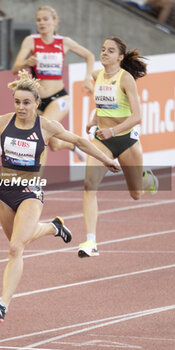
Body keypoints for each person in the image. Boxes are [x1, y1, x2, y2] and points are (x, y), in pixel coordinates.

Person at [0, 70, 120, 323]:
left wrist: (106, 159)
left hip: (31, 191)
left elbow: (79, 141)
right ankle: (54, 227)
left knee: (15, 248)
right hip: (5, 191)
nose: (21, 107)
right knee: (19, 241)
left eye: (27, 102)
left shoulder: (47, 126)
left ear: (37, 103)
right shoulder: (1, 122)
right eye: (17, 102)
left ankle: (3, 304)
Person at [78, 37, 159, 258]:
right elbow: (104, 104)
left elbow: (137, 116)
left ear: (120, 57)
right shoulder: (97, 75)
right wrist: (95, 120)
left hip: (126, 141)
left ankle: (148, 179)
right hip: (102, 141)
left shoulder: (126, 79)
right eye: (103, 49)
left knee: (136, 194)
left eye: (110, 51)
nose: (104, 53)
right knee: (88, 184)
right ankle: (90, 241)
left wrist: (113, 131)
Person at [12, 5, 95, 161]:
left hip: (59, 98)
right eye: (38, 20)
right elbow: (15, 69)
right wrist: (26, 62)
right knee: (54, 144)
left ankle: (37, 183)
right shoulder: (31, 41)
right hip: (37, 100)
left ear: (55, 21)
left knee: (41, 134)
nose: (42, 23)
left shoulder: (64, 42)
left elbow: (89, 55)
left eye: (46, 19)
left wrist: (87, 79)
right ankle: (73, 145)